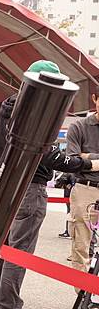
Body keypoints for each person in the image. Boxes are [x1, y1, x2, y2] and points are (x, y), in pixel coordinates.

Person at [0, 61, 99, 309]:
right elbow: (47, 153)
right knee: (20, 248)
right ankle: (10, 308)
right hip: (30, 185)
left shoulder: (12, 105)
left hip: (9, 184)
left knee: (8, 241)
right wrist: (88, 164)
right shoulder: (35, 108)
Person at [66, 84, 99, 276]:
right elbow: (73, 159)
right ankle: (81, 295)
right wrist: (82, 158)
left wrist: (88, 157)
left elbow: (82, 158)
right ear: (95, 99)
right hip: (85, 190)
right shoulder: (79, 126)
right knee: (81, 244)